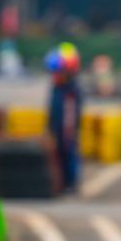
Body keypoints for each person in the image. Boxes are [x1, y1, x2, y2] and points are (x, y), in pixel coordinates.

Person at [44, 43, 83, 193]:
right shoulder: (57, 89)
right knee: (58, 151)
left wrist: (67, 131)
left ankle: (71, 183)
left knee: (68, 149)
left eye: (59, 72)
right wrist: (50, 128)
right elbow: (52, 110)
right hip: (57, 124)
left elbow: (71, 115)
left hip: (67, 128)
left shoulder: (71, 91)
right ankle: (61, 181)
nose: (55, 75)